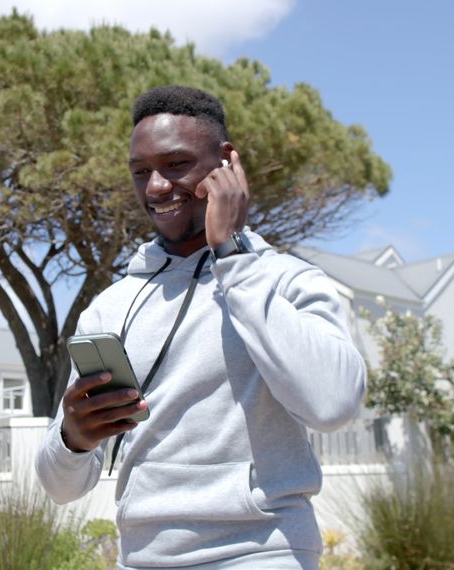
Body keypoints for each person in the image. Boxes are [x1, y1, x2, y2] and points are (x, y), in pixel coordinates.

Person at [35, 85, 366, 569]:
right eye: (140, 171)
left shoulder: (286, 282)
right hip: (142, 558)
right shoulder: (110, 308)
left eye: (175, 165)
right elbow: (59, 488)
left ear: (227, 163)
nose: (155, 187)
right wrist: (72, 439)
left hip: (264, 550)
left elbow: (334, 404)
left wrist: (232, 255)